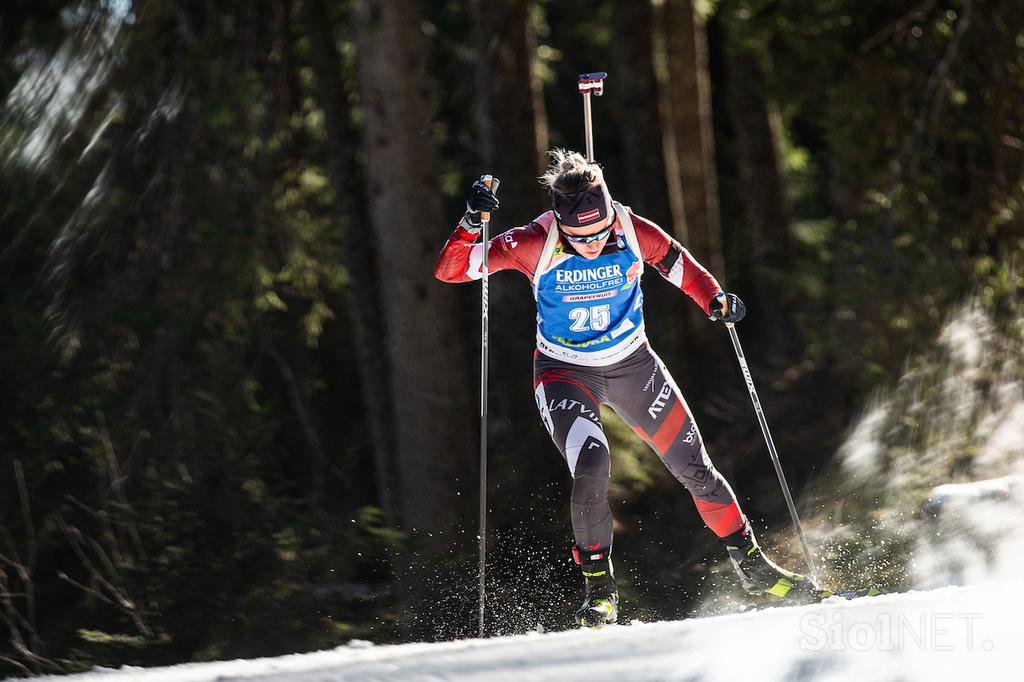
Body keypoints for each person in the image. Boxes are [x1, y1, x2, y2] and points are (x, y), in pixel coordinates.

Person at [434, 150, 817, 627]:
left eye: (597, 234)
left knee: (695, 468)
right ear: (558, 221)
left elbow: (676, 263)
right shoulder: (532, 240)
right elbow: (450, 269)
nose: (591, 245)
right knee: (592, 465)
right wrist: (473, 221)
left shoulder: (634, 229)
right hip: (565, 372)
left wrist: (714, 299)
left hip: (634, 365)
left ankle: (755, 569)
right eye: (578, 238)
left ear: (610, 213)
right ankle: (599, 590)